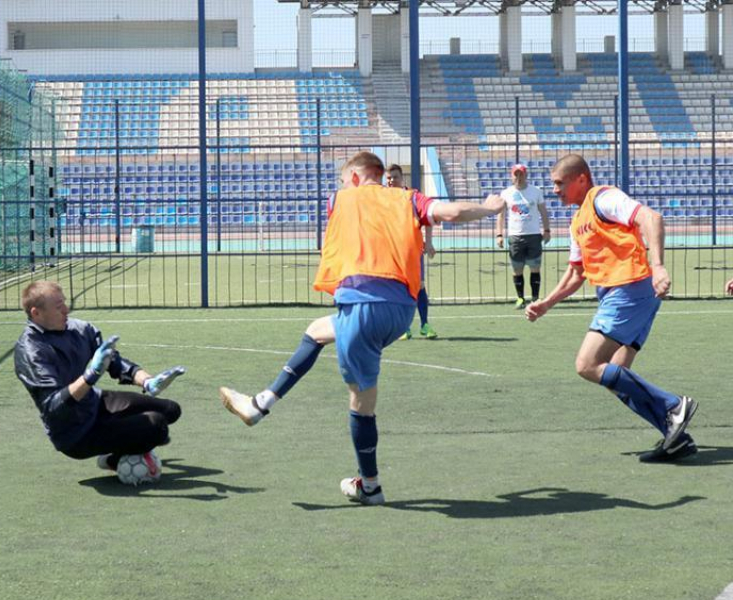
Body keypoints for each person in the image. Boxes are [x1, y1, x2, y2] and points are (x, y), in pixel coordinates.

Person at [219, 152, 504, 505]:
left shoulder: (342, 198)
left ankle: (370, 486)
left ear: (354, 177)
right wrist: (490, 208)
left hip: (361, 307)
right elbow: (451, 213)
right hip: (401, 312)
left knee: (362, 406)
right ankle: (262, 402)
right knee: (318, 330)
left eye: (344, 180)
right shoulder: (409, 198)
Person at [525, 154, 698, 463]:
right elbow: (576, 273)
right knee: (617, 375)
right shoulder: (577, 221)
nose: (555, 190)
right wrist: (546, 303)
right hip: (629, 293)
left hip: (628, 289)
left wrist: (658, 266)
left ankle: (672, 406)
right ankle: (675, 436)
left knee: (587, 365)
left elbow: (652, 218)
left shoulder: (603, 198)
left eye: (559, 183)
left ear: (581, 179)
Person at [14, 281, 186, 475]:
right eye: (58, 307)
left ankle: (130, 441)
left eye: (64, 302)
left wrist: (146, 380)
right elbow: (54, 406)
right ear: (36, 313)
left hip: (96, 402)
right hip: (75, 433)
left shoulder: (79, 329)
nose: (66, 310)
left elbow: (113, 361)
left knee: (171, 410)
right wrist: (90, 376)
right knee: (157, 426)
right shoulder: (30, 351)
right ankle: (112, 459)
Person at [385, 164, 438, 339]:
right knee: (398, 287)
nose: (392, 180)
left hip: (413, 251)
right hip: (391, 251)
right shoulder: (383, 199)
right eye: (389, 178)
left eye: (395, 177)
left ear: (402, 179)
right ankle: (404, 328)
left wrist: (428, 243)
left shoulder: (412, 197)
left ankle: (424, 325)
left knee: (419, 285)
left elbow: (428, 219)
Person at [497, 163, 551, 309]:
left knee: (535, 268)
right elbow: (501, 216)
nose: (519, 177)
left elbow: (543, 212)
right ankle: (520, 298)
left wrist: (547, 230)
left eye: (521, 174)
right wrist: (499, 234)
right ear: (511, 176)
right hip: (515, 236)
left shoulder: (536, 191)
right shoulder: (506, 193)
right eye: (516, 174)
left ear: (526, 175)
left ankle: (535, 298)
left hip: (533, 235)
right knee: (517, 269)